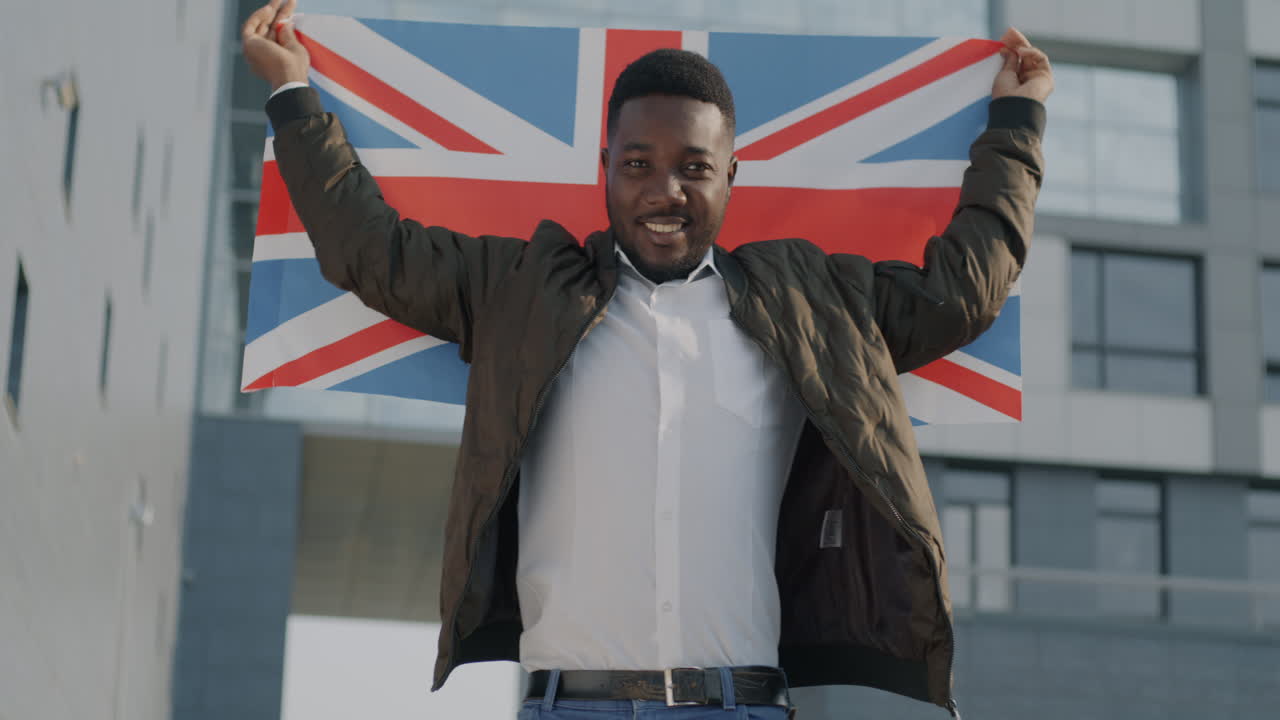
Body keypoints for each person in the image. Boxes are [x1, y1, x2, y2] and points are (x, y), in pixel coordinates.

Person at [242, 1, 1053, 717]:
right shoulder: (520, 291)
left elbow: (961, 292)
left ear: (731, 176)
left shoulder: (811, 307)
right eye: (639, 165)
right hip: (569, 707)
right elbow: (371, 251)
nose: (665, 190)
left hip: (741, 705)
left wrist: (1016, 125)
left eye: (694, 168)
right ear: (605, 171)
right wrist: (292, 94)